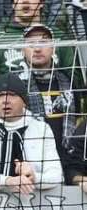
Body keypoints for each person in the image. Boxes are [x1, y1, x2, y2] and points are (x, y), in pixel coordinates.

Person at [0, 72, 63, 193]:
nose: (5, 100)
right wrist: (7, 181)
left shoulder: (42, 129)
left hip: (35, 202)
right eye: (0, 95)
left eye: (12, 95)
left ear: (24, 101)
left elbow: (57, 176)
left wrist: (35, 177)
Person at [0, 0, 79, 85]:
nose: (25, 1)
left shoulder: (59, 37)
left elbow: (74, 79)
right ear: (13, 3)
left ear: (42, 2)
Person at [18, 24, 79, 152]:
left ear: (53, 48)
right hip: (30, 156)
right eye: (31, 44)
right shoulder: (16, 84)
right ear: (23, 50)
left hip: (69, 158)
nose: (38, 49)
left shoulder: (68, 81)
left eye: (43, 42)